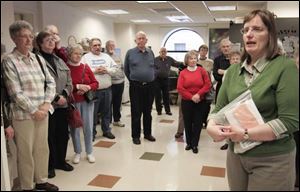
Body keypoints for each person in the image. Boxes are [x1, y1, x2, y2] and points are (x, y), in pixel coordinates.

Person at [207, 9, 299, 191]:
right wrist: (211, 125)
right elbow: (219, 108)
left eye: (257, 29)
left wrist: (246, 134)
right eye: (246, 30)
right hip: (236, 156)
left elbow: (290, 121)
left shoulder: (285, 67)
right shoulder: (233, 71)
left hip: (272, 159)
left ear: (270, 35)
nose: (249, 34)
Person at [2, 20, 58, 191]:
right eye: (23, 37)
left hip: (42, 111)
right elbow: (15, 92)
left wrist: (46, 104)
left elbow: (50, 83)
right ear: (14, 39)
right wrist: (35, 110)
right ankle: (27, 186)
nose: (28, 40)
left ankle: (41, 180)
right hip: (23, 116)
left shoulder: (38, 59)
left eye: (30, 36)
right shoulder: (9, 61)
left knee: (42, 149)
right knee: (25, 153)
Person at [35, 31, 74, 178]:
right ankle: (49, 165)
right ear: (40, 43)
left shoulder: (59, 60)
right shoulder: (37, 61)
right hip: (47, 106)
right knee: (48, 137)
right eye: (47, 40)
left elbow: (69, 81)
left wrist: (64, 94)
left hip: (63, 105)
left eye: (53, 40)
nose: (51, 42)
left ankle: (60, 161)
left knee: (62, 135)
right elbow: (40, 84)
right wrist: (56, 97)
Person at [66, 44, 99, 164]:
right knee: (74, 128)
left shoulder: (85, 67)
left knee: (88, 128)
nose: (78, 56)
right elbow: (65, 85)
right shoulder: (66, 68)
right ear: (69, 54)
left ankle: (89, 152)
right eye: (75, 53)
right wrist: (77, 87)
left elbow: (96, 83)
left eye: (80, 54)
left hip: (87, 102)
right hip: (73, 103)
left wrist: (88, 87)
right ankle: (78, 152)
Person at [81, 38, 117, 141]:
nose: (97, 47)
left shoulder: (106, 56)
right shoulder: (85, 57)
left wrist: (107, 70)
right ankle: (92, 133)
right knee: (93, 113)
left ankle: (106, 131)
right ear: (90, 47)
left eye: (99, 45)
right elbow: (82, 72)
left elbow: (115, 69)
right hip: (93, 91)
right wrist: (94, 71)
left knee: (106, 112)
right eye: (95, 45)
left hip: (107, 89)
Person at [124, 31, 156, 145]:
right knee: (136, 112)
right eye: (139, 38)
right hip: (136, 86)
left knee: (148, 111)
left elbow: (153, 68)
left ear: (146, 40)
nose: (141, 40)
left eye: (143, 38)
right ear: (135, 41)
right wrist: (134, 79)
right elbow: (126, 70)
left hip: (150, 86)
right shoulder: (130, 53)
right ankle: (136, 136)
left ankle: (147, 134)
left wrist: (151, 77)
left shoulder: (151, 52)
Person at [177, 50, 211, 154]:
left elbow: (207, 84)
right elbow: (180, 88)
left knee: (197, 123)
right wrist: (191, 97)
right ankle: (189, 143)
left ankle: (195, 144)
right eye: (190, 58)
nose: (193, 60)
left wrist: (198, 95)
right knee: (187, 122)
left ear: (197, 59)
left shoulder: (202, 71)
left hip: (200, 102)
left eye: (195, 58)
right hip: (187, 102)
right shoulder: (183, 72)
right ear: (187, 60)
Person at [212, 38, 232, 150]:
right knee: (222, 115)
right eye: (223, 46)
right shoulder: (217, 60)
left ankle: (232, 140)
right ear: (221, 48)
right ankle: (225, 139)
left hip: (234, 90)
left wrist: (224, 72)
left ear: (231, 47)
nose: (226, 48)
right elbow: (216, 76)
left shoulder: (236, 58)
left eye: (227, 46)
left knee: (233, 115)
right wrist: (227, 73)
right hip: (221, 89)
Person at [154, 47, 180, 116]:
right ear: (159, 52)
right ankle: (159, 110)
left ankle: (167, 111)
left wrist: (185, 63)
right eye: (162, 51)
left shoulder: (169, 59)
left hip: (166, 80)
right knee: (158, 96)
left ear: (166, 52)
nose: (163, 53)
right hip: (157, 80)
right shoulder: (155, 60)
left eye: (164, 51)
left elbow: (177, 64)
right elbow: (151, 68)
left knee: (166, 96)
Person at [105, 40, 125, 127]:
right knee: (108, 104)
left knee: (118, 103)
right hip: (110, 83)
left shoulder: (117, 56)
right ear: (106, 46)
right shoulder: (104, 57)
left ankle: (117, 120)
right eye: (110, 45)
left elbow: (122, 67)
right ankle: (108, 122)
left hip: (120, 82)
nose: (112, 47)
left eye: (113, 45)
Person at [198, 44, 214, 128]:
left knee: (207, 105)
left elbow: (213, 74)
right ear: (199, 51)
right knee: (200, 105)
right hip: (198, 86)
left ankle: (205, 120)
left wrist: (213, 84)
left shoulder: (210, 62)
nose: (203, 52)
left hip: (208, 86)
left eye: (205, 50)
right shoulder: (196, 62)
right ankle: (199, 121)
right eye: (202, 50)